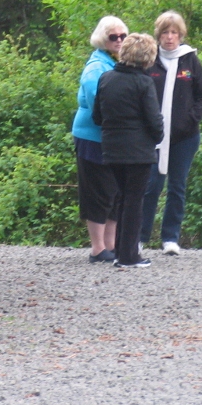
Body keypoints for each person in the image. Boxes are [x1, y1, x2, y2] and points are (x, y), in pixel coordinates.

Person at [140, 11, 202, 255]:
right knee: (150, 186)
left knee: (177, 187)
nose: (170, 38)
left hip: (184, 137)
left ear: (181, 35)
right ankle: (140, 236)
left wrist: (190, 120)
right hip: (153, 137)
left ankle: (170, 238)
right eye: (165, 33)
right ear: (158, 35)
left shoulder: (189, 60)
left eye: (174, 33)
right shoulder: (149, 60)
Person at [92, 32, 163, 269]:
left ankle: (120, 252)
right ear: (147, 57)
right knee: (134, 202)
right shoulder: (144, 82)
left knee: (122, 199)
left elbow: (97, 116)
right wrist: (157, 137)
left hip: (111, 148)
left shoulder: (106, 79)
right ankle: (129, 255)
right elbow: (154, 119)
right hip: (138, 151)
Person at [72, 16, 127, 263]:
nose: (118, 41)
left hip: (113, 138)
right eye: (113, 37)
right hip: (93, 137)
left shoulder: (116, 64)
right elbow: (99, 105)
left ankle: (111, 244)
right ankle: (97, 247)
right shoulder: (96, 67)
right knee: (98, 191)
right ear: (102, 39)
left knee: (115, 192)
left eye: (122, 36)